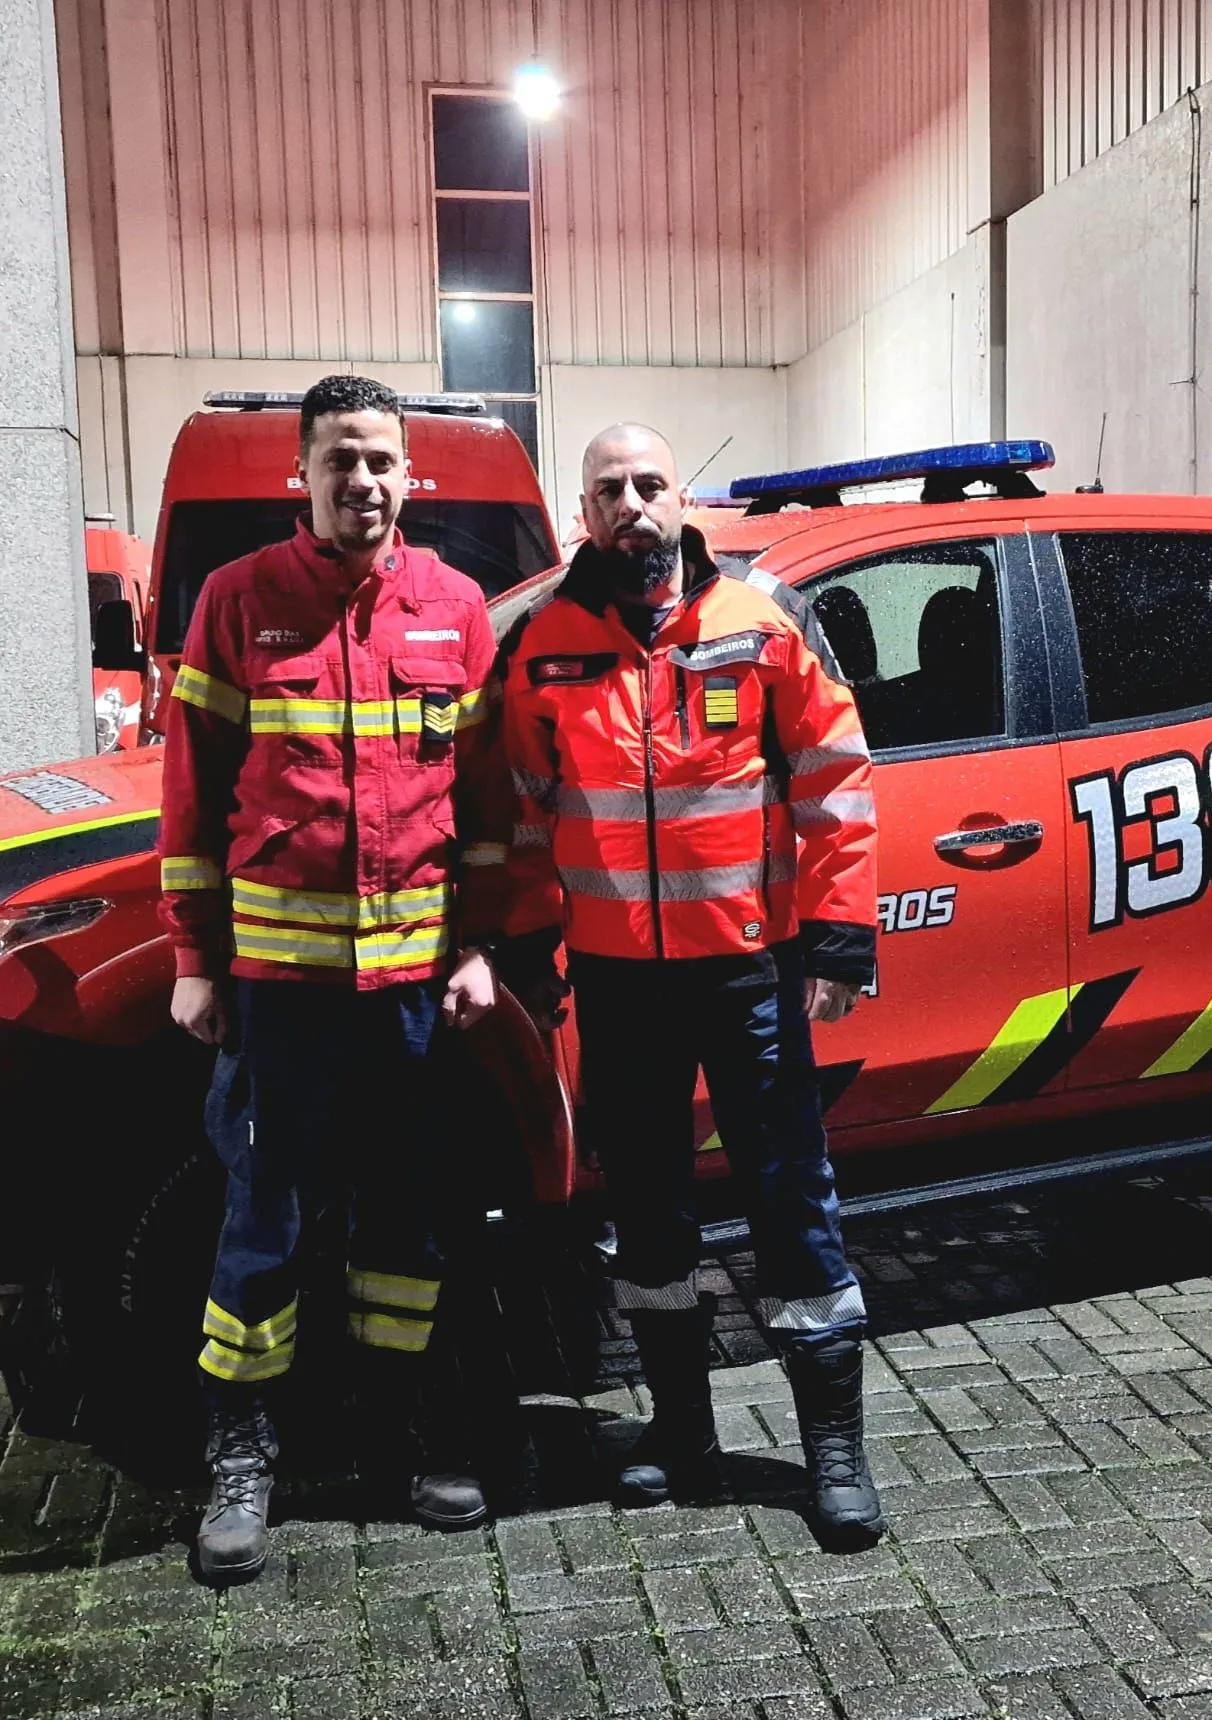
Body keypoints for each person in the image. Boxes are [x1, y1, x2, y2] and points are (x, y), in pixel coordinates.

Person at [496, 423, 883, 1544]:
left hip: (749, 971)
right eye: (608, 488)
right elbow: (522, 813)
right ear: (582, 513)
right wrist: (526, 944)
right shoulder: (541, 644)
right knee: (646, 1212)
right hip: (618, 982)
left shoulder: (762, 619)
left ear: (680, 500)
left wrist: (839, 935)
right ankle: (682, 1436)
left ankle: (834, 1453)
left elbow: (835, 779)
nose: (631, 503)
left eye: (649, 484)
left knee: (790, 1197)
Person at [158, 374, 506, 1583]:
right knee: (263, 1216)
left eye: (379, 460)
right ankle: (240, 1451)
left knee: (405, 1214)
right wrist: (195, 960)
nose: (361, 479)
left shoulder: (455, 608)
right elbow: (191, 795)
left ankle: (396, 1432)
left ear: (410, 474)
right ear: (299, 475)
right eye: (339, 460)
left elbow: (486, 809)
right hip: (279, 990)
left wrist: (477, 947)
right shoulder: (238, 600)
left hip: (411, 988)